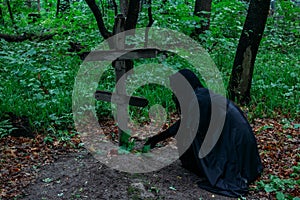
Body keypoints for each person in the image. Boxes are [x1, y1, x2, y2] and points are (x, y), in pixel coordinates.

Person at [145, 69, 263, 197]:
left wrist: (156, 139)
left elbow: (182, 126)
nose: (175, 94)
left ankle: (206, 168)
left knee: (189, 133)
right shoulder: (202, 96)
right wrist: (157, 139)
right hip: (246, 154)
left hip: (236, 145)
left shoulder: (199, 100)